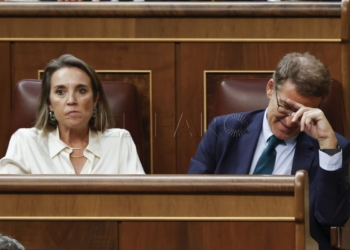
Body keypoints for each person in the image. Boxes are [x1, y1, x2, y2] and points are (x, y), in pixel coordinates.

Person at [188, 52, 350, 250]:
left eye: (301, 113)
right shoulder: (223, 132)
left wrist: (327, 146)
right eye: (286, 107)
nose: (291, 121)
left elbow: (332, 217)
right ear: (270, 88)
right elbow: (192, 202)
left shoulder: (331, 148)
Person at [0, 54, 145, 175]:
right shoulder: (26, 142)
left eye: (81, 90)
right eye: (60, 92)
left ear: (95, 99)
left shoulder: (119, 142)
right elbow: (8, 200)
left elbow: (138, 202)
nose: (71, 100)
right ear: (49, 103)